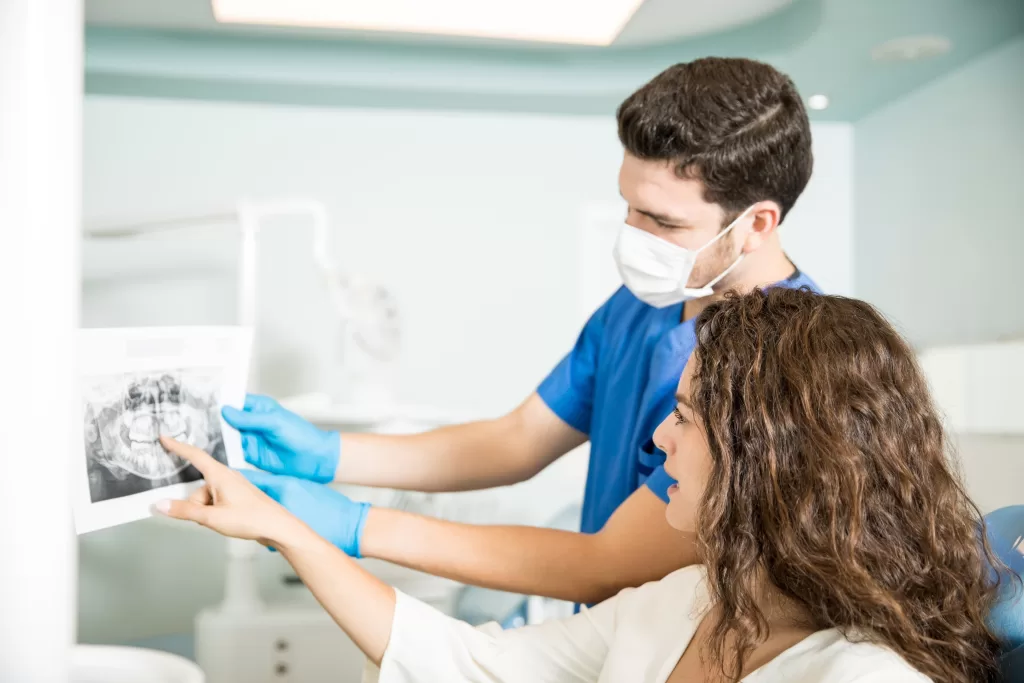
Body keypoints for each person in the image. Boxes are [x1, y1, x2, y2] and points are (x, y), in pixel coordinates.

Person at [157, 289, 1004, 683]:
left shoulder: (861, 678)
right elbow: (466, 656)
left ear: (769, 455)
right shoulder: (681, 602)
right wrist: (299, 521)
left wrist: (345, 519)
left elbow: (598, 560)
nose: (656, 437)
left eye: (684, 416)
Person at [217, 56, 821, 606]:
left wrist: (357, 526)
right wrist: (329, 454)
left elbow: (606, 565)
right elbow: (519, 439)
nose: (633, 235)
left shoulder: (793, 368)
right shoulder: (643, 306)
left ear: (757, 223)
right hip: (603, 639)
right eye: (628, 207)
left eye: (662, 220)